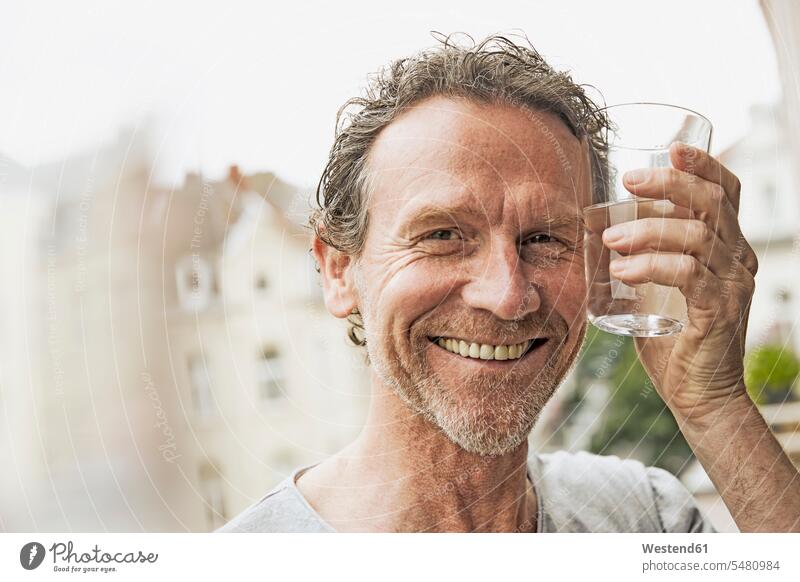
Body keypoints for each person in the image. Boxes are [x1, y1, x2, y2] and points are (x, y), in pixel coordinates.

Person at [218, 33, 800, 533]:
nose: (508, 295)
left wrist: (715, 407)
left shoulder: (645, 515)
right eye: (443, 235)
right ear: (339, 270)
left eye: (546, 239)